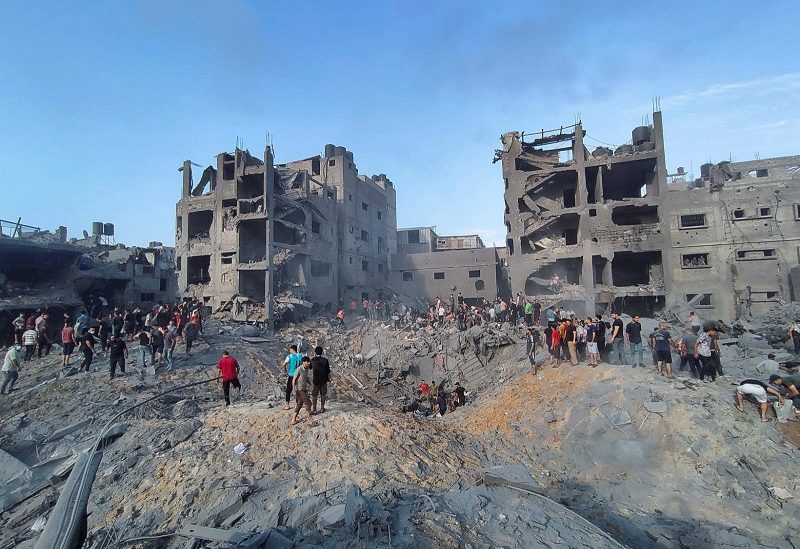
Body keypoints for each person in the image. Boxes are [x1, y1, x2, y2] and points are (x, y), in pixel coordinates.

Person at [291, 356, 313, 425]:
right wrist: (294, 389)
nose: (309, 363)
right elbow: (294, 379)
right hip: (300, 390)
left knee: (299, 404)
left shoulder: (306, 370)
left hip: (304, 389)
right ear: (304, 362)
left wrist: (312, 384)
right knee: (309, 403)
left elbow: (306, 379)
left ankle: (293, 419)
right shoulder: (299, 369)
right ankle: (309, 419)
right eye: (307, 362)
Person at [310, 346, 331, 414]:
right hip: (324, 380)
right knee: (323, 394)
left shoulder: (312, 360)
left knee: (314, 395)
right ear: (322, 352)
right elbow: (328, 370)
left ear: (315, 352)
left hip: (316, 380)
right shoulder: (325, 360)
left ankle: (314, 410)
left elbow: (310, 367)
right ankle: (322, 408)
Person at [282, 345, 303, 410]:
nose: (289, 351)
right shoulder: (301, 355)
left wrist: (285, 370)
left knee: (288, 389)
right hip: (299, 375)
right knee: (299, 389)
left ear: (292, 349)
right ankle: (298, 404)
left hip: (292, 375)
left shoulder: (290, 356)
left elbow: (284, 364)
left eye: (290, 349)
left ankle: (287, 405)